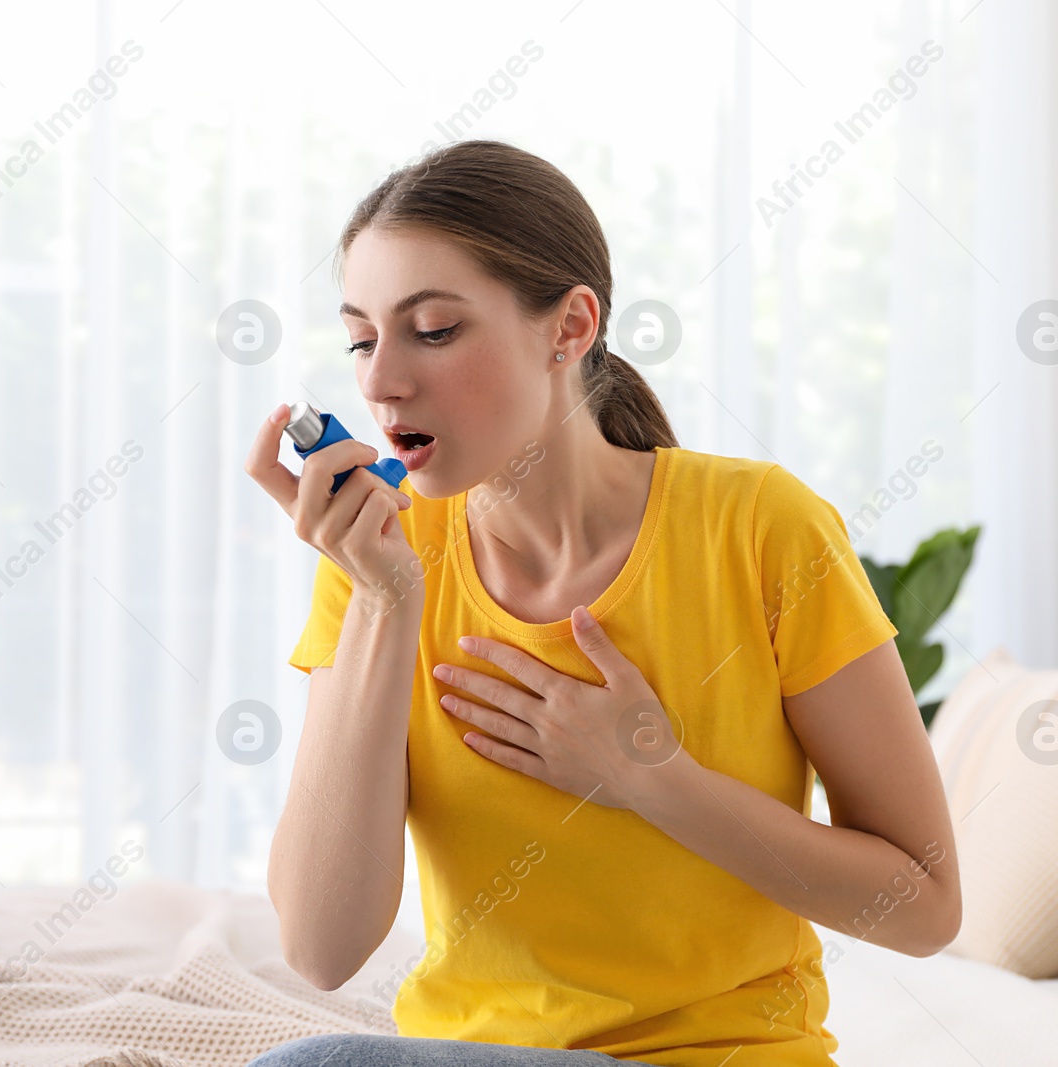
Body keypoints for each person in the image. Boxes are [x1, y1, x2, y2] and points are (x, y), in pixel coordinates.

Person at [242, 139, 959, 1067]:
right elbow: (320, 948)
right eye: (362, 338)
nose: (381, 382)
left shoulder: (761, 527)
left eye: (433, 329)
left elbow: (925, 908)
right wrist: (385, 604)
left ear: (569, 327)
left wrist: (652, 777)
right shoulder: (379, 561)